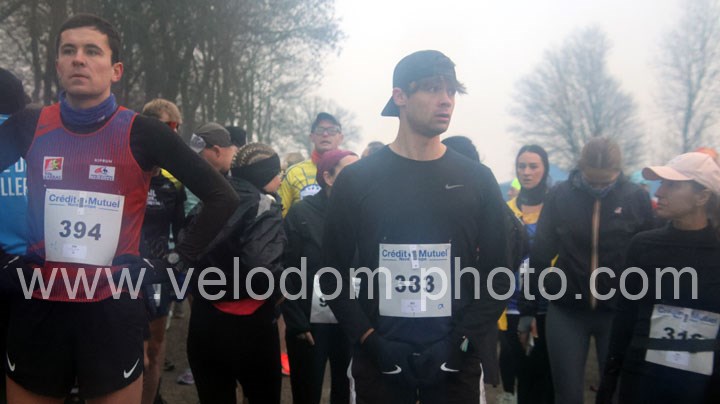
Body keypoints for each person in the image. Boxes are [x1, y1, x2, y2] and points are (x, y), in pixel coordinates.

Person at [0, 14, 239, 403]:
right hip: (39, 302)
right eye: (69, 50)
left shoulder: (144, 132)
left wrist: (174, 262)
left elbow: (222, 196)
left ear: (116, 70)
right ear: (58, 65)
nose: (79, 59)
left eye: (92, 51)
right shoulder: (30, 123)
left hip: (111, 307)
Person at [321, 50, 511, 404]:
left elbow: (499, 275)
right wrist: (370, 340)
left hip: (455, 362)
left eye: (451, 90)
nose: (446, 100)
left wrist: (462, 343)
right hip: (380, 362)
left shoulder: (477, 178)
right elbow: (332, 273)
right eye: (433, 88)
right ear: (400, 96)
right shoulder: (357, 180)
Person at [528, 137, 654, 404]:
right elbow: (540, 254)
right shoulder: (560, 195)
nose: (598, 188)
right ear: (580, 169)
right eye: (592, 181)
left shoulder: (636, 197)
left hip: (618, 311)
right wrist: (531, 307)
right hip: (567, 310)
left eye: (605, 182)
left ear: (618, 172)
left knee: (616, 393)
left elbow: (648, 257)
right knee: (568, 395)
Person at [597, 152, 720, 404]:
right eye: (661, 183)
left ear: (702, 196)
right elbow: (625, 316)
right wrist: (610, 380)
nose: (659, 192)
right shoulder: (643, 245)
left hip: (703, 386)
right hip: (643, 379)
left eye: (672, 185)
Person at [186, 143, 285, 404]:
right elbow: (261, 268)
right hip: (251, 326)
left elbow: (186, 249)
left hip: (205, 321)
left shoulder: (212, 199)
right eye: (278, 173)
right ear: (265, 175)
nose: (280, 179)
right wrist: (281, 288)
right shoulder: (265, 205)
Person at [282, 149, 359, 404]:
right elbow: (285, 268)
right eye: (350, 171)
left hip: (350, 320)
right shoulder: (300, 213)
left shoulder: (363, 212)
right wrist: (296, 322)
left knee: (346, 392)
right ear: (328, 177)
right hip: (308, 323)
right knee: (307, 393)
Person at [139, 98, 187, 404]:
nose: (172, 133)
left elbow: (181, 231)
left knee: (154, 349)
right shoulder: (124, 169)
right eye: (167, 126)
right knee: (130, 349)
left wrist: (180, 271)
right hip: (119, 271)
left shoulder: (173, 183)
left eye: (176, 128)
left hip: (157, 273)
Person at [500, 145, 553, 404]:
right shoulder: (505, 209)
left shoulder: (556, 208)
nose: (527, 172)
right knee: (517, 367)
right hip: (511, 304)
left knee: (543, 375)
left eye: (533, 166)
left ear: (545, 169)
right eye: (522, 166)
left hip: (548, 305)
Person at [278, 112, 344, 217]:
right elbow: (280, 216)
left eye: (332, 130)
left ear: (341, 138)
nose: (325, 134)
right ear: (311, 137)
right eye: (320, 130)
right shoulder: (294, 173)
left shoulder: (350, 171)